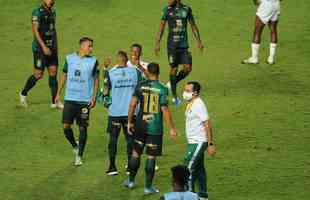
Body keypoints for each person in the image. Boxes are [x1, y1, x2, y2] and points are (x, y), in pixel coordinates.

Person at [123, 63, 177, 195]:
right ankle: (148, 187)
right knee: (151, 157)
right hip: (155, 128)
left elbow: (132, 104)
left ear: (147, 72)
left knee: (136, 153)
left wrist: (130, 122)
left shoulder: (140, 86)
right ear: (158, 73)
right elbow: (164, 109)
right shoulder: (163, 89)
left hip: (140, 125)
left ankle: (130, 181)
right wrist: (172, 128)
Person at [55, 37, 99, 166]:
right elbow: (64, 75)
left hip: (84, 101)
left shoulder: (94, 61)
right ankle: (75, 145)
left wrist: (94, 97)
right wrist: (58, 93)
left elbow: (96, 80)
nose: (91, 48)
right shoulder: (69, 58)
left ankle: (79, 155)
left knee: (82, 128)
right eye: (89, 46)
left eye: (92, 46)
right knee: (66, 126)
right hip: (70, 99)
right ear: (82, 46)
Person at [155, 0, 204, 105]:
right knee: (174, 68)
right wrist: (157, 42)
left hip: (183, 46)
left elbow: (193, 25)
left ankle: (172, 82)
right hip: (172, 46)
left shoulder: (186, 9)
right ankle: (174, 96)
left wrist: (199, 41)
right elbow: (161, 27)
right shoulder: (167, 10)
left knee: (188, 68)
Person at [104, 51, 143, 176]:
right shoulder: (136, 72)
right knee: (130, 139)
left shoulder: (111, 73)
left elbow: (105, 91)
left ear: (117, 61)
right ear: (127, 61)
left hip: (114, 112)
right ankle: (129, 167)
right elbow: (140, 90)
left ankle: (112, 167)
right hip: (130, 113)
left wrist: (105, 69)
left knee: (113, 139)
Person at [19, 0, 63, 108]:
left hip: (51, 48)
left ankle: (55, 101)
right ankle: (23, 93)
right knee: (38, 74)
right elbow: (35, 31)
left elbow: (53, 30)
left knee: (53, 72)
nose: (51, 1)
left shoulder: (53, 11)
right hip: (39, 49)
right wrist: (43, 47)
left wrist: (54, 46)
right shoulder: (37, 13)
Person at [182, 81, 216, 200]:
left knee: (188, 169)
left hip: (199, 142)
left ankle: (189, 196)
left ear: (195, 93)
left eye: (187, 91)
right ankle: (203, 195)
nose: (185, 93)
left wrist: (210, 144)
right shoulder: (190, 102)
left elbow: (207, 124)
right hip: (193, 142)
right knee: (199, 169)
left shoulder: (198, 104)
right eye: (184, 90)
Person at [242, 0, 282, 65]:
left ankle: (254, 58)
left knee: (257, 31)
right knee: (273, 30)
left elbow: (256, 1)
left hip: (266, 5)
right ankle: (271, 59)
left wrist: (256, 2)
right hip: (276, 5)